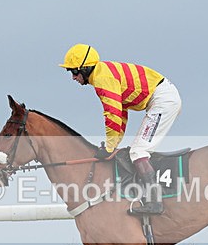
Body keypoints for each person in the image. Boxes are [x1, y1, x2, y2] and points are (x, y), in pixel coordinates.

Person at [59, 43, 182, 215]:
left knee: (138, 151)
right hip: (162, 97)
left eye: (74, 71)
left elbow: (113, 114)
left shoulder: (102, 79)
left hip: (163, 100)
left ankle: (155, 202)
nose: (73, 77)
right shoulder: (101, 75)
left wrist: (110, 147)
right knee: (137, 150)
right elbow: (121, 112)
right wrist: (114, 144)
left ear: (85, 68)